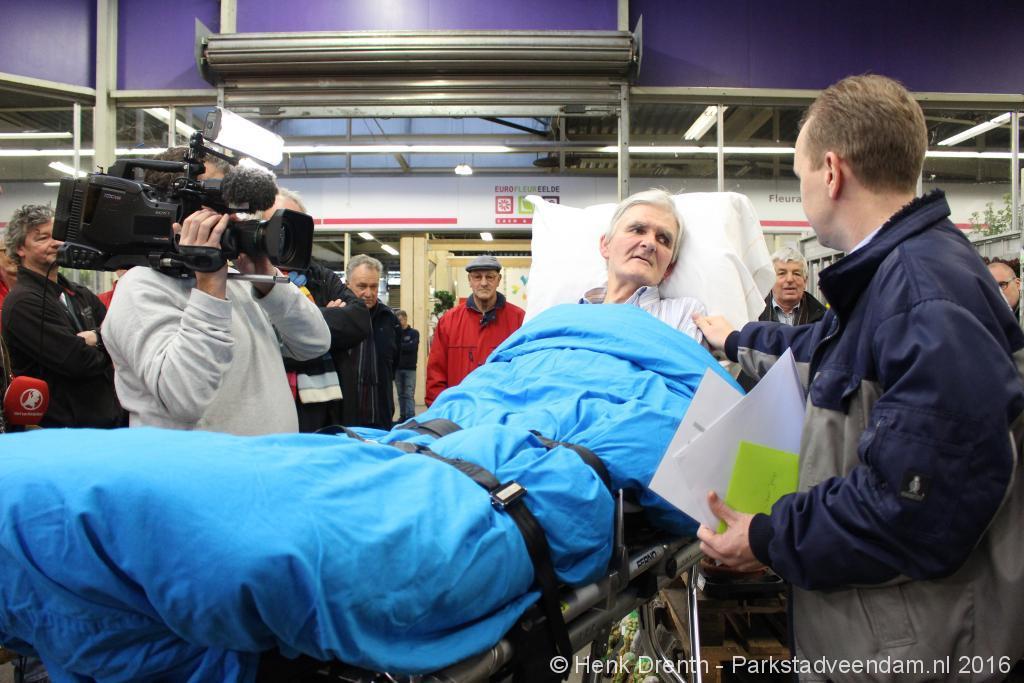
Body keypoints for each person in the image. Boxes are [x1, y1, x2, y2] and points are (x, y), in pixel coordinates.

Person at [694, 74, 1024, 676]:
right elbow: (823, 351)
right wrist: (736, 338)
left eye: (798, 174)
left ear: (831, 172)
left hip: (917, 651)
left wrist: (769, 536)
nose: (801, 193)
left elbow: (915, 505)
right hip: (885, 637)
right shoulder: (895, 276)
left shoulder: (922, 293)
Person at [102, 204, 331, 435]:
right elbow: (184, 398)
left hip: (270, 455)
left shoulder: (238, 278)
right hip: (201, 458)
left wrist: (265, 276)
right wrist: (210, 287)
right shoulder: (140, 286)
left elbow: (315, 343)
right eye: (215, 210)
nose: (228, 220)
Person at [1, 204, 123, 428]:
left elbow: (123, 335)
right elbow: (78, 362)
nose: (55, 243)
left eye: (57, 235)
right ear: (20, 249)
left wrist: (96, 339)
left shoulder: (79, 294)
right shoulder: (23, 303)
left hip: (106, 421)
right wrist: (108, 344)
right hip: (61, 431)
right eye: (42, 238)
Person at [264, 188, 371, 432]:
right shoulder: (244, 277)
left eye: (293, 225)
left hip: (327, 411)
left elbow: (358, 320)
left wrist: (289, 324)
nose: (285, 233)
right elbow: (260, 339)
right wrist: (320, 316)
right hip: (269, 403)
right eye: (277, 224)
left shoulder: (320, 276)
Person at [579, 188, 705, 340]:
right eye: (638, 230)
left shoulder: (685, 314)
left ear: (669, 268)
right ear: (606, 245)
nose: (650, 243)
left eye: (663, 239)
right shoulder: (568, 316)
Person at [425, 254, 525, 405]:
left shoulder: (519, 320)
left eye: (490, 277)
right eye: (477, 277)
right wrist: (438, 410)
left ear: (498, 280)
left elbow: (525, 371)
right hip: (458, 410)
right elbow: (436, 373)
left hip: (501, 410)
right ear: (469, 280)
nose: (484, 283)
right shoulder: (448, 322)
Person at [737, 245, 826, 390]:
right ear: (771, 279)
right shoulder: (752, 313)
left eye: (796, 273)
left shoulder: (822, 318)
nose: (790, 279)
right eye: (782, 273)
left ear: (805, 280)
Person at [341, 254, 401, 429]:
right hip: (343, 418)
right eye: (362, 286)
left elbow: (393, 365)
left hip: (380, 417)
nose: (368, 293)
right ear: (347, 285)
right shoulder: (336, 318)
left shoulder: (389, 319)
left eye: (373, 286)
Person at [394, 309, 419, 423]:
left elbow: (412, 347)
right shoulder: (395, 334)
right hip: (398, 368)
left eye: (400, 320)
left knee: (409, 394)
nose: (399, 322)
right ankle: (403, 416)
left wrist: (400, 346)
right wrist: (405, 345)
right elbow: (393, 347)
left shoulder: (414, 333)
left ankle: (410, 417)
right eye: (397, 320)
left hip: (410, 369)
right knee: (400, 394)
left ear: (405, 319)